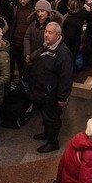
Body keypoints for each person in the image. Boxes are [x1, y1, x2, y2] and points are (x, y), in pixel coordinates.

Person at [28, 22, 73, 153]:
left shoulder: (63, 54)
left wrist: (62, 97)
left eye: (50, 32)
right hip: (43, 92)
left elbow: (66, 78)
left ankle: (53, 142)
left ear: (58, 35)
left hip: (52, 94)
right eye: (45, 31)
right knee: (45, 115)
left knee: (52, 118)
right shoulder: (47, 46)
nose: (46, 34)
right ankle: (47, 134)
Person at [24, 0, 64, 65]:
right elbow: (27, 38)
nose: (40, 14)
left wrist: (31, 57)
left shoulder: (51, 27)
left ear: (47, 12)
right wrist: (27, 53)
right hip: (31, 55)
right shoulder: (34, 23)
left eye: (42, 11)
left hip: (43, 57)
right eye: (38, 11)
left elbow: (46, 45)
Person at [8, 0, 34, 76]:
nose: (23, 1)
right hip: (15, 40)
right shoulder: (14, 6)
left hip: (27, 42)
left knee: (24, 67)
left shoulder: (33, 9)